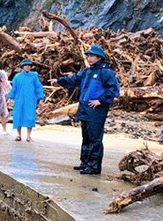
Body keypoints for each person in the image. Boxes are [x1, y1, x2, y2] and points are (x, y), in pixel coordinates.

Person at [49, 44, 120, 175]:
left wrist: (100, 100)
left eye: (92, 56)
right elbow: (73, 78)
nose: (89, 58)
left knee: (95, 139)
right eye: (88, 56)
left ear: (99, 57)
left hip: (97, 111)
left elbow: (114, 89)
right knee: (86, 137)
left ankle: (94, 166)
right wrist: (59, 81)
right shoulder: (87, 71)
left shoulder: (106, 72)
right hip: (85, 109)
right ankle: (85, 162)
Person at [7, 58, 45, 142]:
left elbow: (38, 88)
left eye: (29, 65)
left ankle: (28, 135)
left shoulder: (34, 76)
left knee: (30, 117)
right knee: (18, 116)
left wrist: (41, 99)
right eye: (26, 65)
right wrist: (10, 98)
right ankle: (19, 135)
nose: (27, 67)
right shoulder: (17, 76)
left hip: (30, 100)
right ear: (22, 67)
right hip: (19, 99)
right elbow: (14, 88)